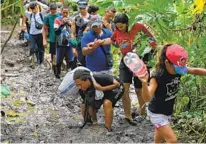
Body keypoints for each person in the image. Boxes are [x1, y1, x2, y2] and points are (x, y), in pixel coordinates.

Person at [88, 13, 157, 125]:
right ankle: (128, 116)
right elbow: (111, 40)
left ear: (127, 23)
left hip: (140, 62)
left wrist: (148, 57)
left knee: (139, 89)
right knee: (124, 89)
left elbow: (152, 41)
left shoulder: (138, 27)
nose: (120, 28)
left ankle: (143, 113)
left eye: (122, 26)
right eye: (118, 27)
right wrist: (98, 43)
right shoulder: (117, 31)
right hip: (125, 61)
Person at [138, 44, 206, 143]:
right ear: (167, 63)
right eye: (178, 66)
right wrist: (144, 83)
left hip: (167, 111)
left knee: (159, 137)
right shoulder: (158, 76)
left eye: (183, 66)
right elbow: (147, 98)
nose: (182, 68)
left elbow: (195, 70)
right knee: (172, 140)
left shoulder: (179, 69)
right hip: (157, 113)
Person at [23, 1, 49, 65]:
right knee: (33, 47)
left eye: (34, 8)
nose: (33, 10)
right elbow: (23, 9)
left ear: (37, 7)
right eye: (32, 9)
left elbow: (47, 8)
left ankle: (40, 61)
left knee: (41, 49)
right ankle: (35, 60)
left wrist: (38, 2)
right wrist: (29, 4)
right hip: (32, 34)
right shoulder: (30, 14)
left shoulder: (41, 14)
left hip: (40, 34)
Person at [54, 5, 75, 78]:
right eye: (64, 12)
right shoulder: (57, 20)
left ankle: (70, 75)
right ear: (61, 12)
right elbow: (56, 31)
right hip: (60, 43)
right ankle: (57, 74)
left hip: (69, 43)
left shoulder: (72, 20)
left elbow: (74, 31)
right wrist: (61, 24)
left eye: (66, 12)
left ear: (69, 12)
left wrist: (70, 24)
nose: (65, 14)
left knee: (70, 59)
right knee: (59, 60)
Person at [71, 0, 91, 67]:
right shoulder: (75, 18)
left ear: (87, 7)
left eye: (84, 8)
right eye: (80, 9)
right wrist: (73, 48)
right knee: (79, 65)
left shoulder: (92, 18)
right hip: (79, 44)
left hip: (90, 44)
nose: (82, 10)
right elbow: (73, 34)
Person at [43, 3, 60, 75]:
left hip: (61, 39)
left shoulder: (60, 16)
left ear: (57, 9)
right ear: (50, 10)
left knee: (60, 54)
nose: (53, 12)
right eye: (52, 11)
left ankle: (59, 68)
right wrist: (44, 39)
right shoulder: (47, 17)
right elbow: (44, 28)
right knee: (53, 54)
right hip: (52, 38)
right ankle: (54, 69)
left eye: (54, 10)